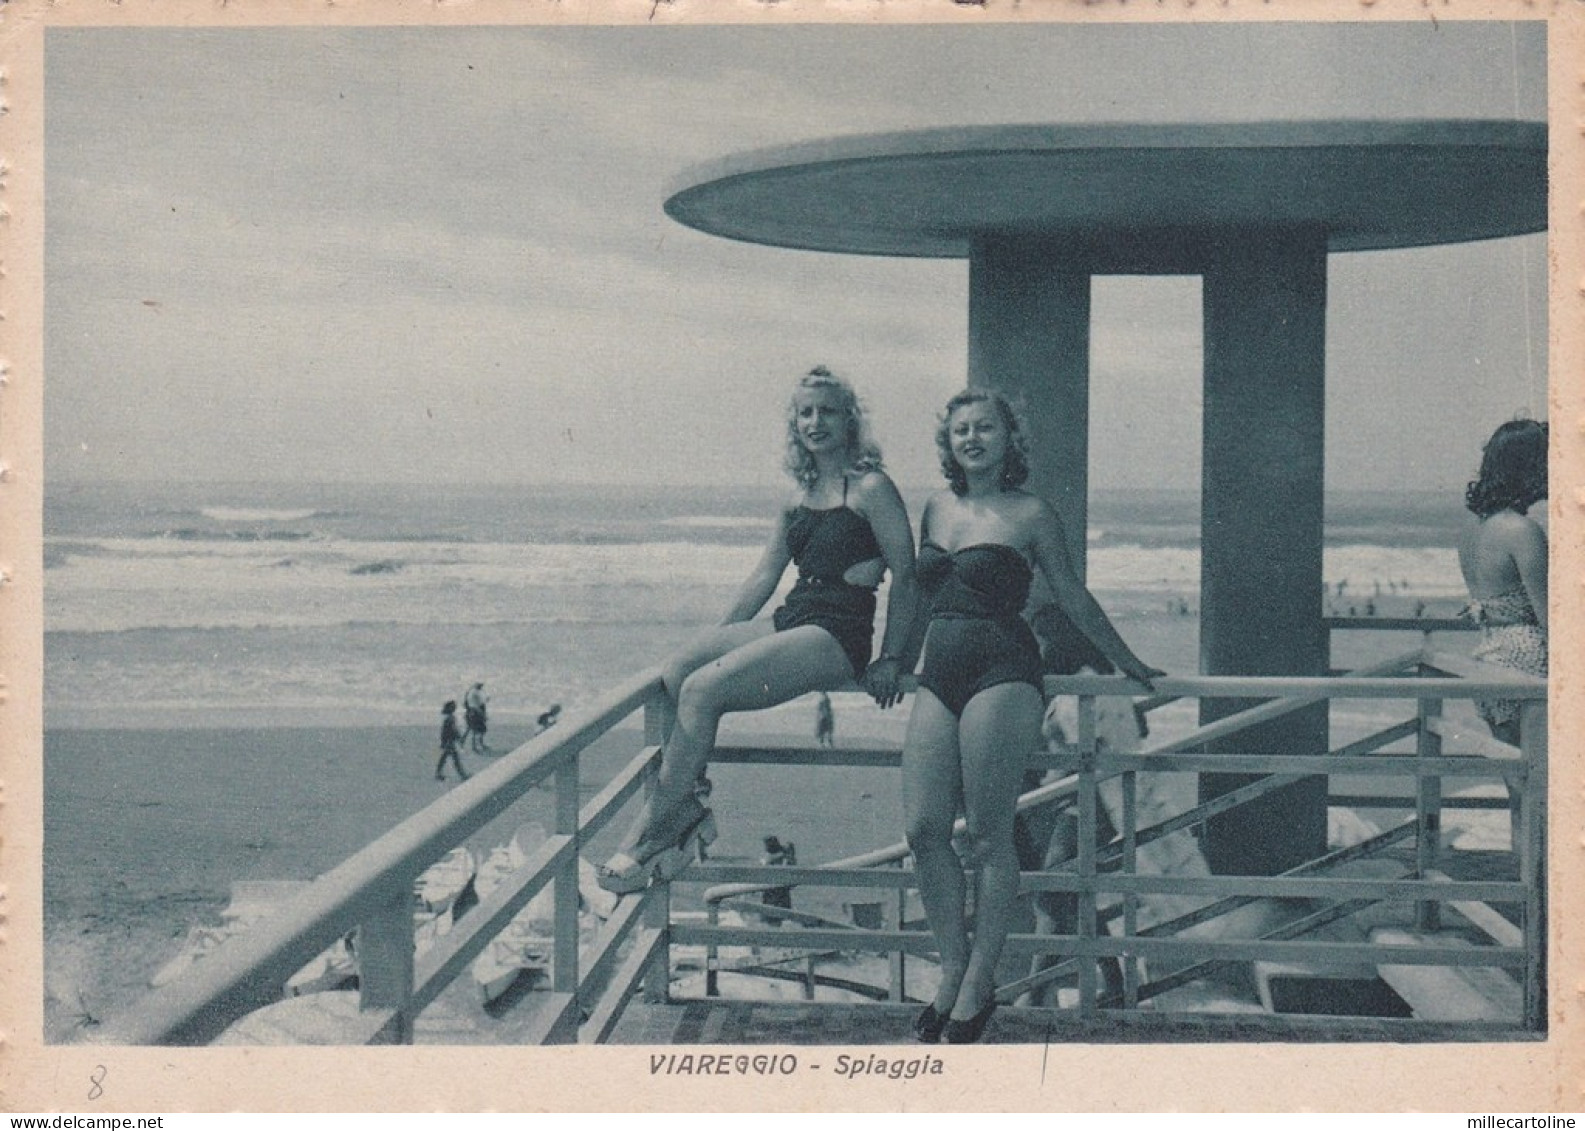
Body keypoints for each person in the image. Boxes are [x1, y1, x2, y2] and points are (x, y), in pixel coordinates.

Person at [901, 389, 1162, 1044]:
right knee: (924, 829)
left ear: (1007, 439)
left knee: (988, 834)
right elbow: (912, 593)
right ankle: (953, 966)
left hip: (1003, 670)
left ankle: (978, 980)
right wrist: (887, 661)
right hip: (937, 671)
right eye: (960, 428)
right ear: (948, 441)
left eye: (984, 427)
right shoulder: (933, 506)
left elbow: (1072, 595)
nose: (971, 437)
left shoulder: (1031, 513)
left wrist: (1127, 661)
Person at [597, 366, 917, 894]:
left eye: (828, 411)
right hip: (794, 615)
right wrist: (716, 642)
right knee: (682, 670)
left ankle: (652, 834)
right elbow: (766, 574)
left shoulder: (871, 487)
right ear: (794, 423)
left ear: (850, 420)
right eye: (805, 412)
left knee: (704, 691)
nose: (816, 422)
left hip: (839, 632)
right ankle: (690, 806)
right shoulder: (801, 493)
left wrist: (891, 656)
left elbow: (906, 574)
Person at [1458, 419, 1548, 820]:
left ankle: (1525, 879)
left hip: (1489, 659)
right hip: (1528, 661)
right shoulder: (1522, 530)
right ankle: (1544, 883)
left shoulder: (1472, 529)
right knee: (1546, 790)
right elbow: (1551, 619)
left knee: (1520, 792)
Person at [760, 836, 797, 926]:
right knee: (773, 916)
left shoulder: (781, 858)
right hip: (772, 892)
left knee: (776, 916)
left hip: (777, 893)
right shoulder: (771, 857)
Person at [436, 700, 468, 782]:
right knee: (454, 758)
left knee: (445, 757)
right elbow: (452, 730)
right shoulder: (451, 718)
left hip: (448, 741)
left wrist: (443, 741)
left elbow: (445, 731)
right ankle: (462, 774)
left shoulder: (449, 718)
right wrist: (459, 737)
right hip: (450, 741)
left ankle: (438, 773)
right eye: (453, 706)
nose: (455, 707)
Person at [463, 682, 490, 754]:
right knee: (479, 730)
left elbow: (468, 703)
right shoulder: (477, 693)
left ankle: (465, 742)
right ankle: (476, 745)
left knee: (469, 729)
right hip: (476, 713)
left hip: (470, 713)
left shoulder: (470, 692)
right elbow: (479, 704)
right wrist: (483, 716)